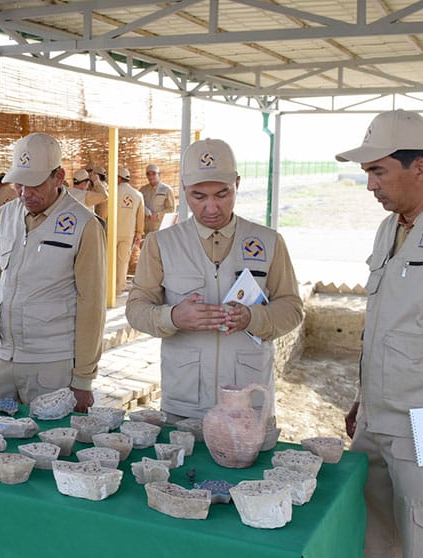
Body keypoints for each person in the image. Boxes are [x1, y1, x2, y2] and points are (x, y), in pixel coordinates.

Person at [336, 110, 423, 558]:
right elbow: (387, 326)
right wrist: (364, 399)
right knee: (372, 547)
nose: (370, 185)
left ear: (420, 167)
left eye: (378, 171)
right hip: (376, 422)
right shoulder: (390, 229)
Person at [125, 138, 303, 422]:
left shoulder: (269, 242)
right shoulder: (161, 243)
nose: (211, 208)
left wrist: (253, 318)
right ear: (184, 189)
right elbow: (136, 309)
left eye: (222, 194)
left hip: (248, 404)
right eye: (198, 196)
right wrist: (173, 317)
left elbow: (292, 309)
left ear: (237, 184)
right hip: (184, 404)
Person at [0, 133, 106, 410]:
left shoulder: (85, 225)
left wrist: (84, 379)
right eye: (19, 184)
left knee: (49, 447)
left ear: (59, 177)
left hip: (51, 363)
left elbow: (92, 306)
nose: (25, 193)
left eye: (35, 184)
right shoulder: (2, 217)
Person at [115, 166, 145, 291]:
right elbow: (140, 217)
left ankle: (108, 288)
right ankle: (119, 287)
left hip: (112, 232)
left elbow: (104, 213)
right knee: (123, 261)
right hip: (128, 233)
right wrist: (139, 233)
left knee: (108, 260)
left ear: (119, 178)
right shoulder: (138, 195)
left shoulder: (112, 191)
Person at [140, 163, 176, 233]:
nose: (151, 176)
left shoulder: (167, 190)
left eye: (153, 173)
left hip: (160, 229)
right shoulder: (142, 190)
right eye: (148, 174)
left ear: (159, 175)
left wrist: (158, 215)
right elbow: (139, 206)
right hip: (145, 229)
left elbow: (171, 209)